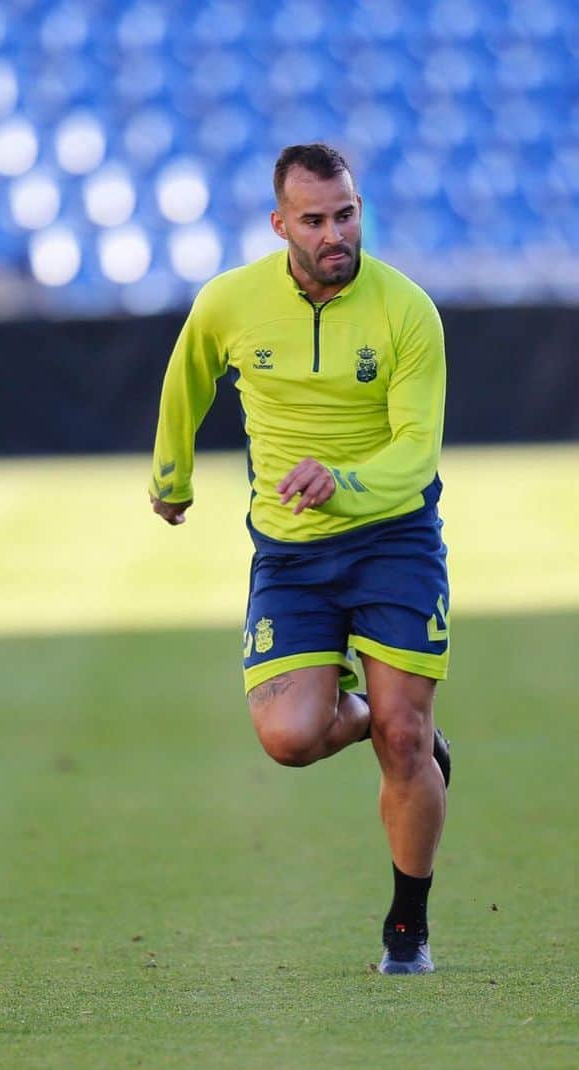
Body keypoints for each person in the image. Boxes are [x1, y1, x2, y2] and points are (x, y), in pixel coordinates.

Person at [150, 143, 452, 974]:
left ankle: (406, 931)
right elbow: (189, 377)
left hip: (394, 537)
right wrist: (171, 477)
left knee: (404, 733)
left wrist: (345, 479)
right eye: (314, 219)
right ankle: (380, 729)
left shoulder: (407, 311)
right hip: (290, 552)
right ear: (280, 223)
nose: (335, 233)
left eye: (346, 214)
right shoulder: (231, 302)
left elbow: (417, 453)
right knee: (288, 737)